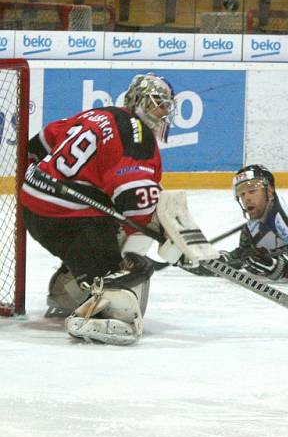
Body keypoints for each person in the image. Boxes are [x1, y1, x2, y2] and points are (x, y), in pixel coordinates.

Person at [20, 73, 177, 345]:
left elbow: (39, 144)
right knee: (141, 231)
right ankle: (103, 299)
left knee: (120, 218)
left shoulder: (98, 113)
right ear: (138, 101)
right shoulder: (138, 136)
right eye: (156, 103)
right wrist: (158, 240)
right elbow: (135, 205)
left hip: (34, 209)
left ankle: (68, 288)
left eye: (165, 105)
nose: (162, 111)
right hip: (70, 219)